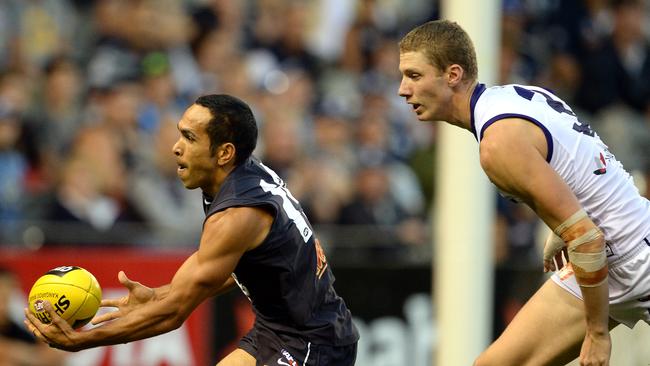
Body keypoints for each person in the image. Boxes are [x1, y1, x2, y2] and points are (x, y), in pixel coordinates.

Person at [24, 94, 359, 365]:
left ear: (224, 153)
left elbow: (173, 315)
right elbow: (237, 266)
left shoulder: (237, 214)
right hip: (277, 330)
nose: (175, 147)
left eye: (189, 137)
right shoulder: (246, 175)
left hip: (312, 344)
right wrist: (159, 294)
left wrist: (81, 341)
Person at [397, 20, 650, 366]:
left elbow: (587, 240)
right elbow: (585, 168)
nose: (402, 89)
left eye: (413, 75)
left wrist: (597, 334)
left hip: (633, 259)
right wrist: (562, 228)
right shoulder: (520, 95)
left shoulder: (497, 144)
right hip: (608, 256)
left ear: (453, 74)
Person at [0, 267, 66, 366]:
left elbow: (54, 357)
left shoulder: (18, 326)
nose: (8, 298)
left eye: (11, 291)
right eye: (3, 295)